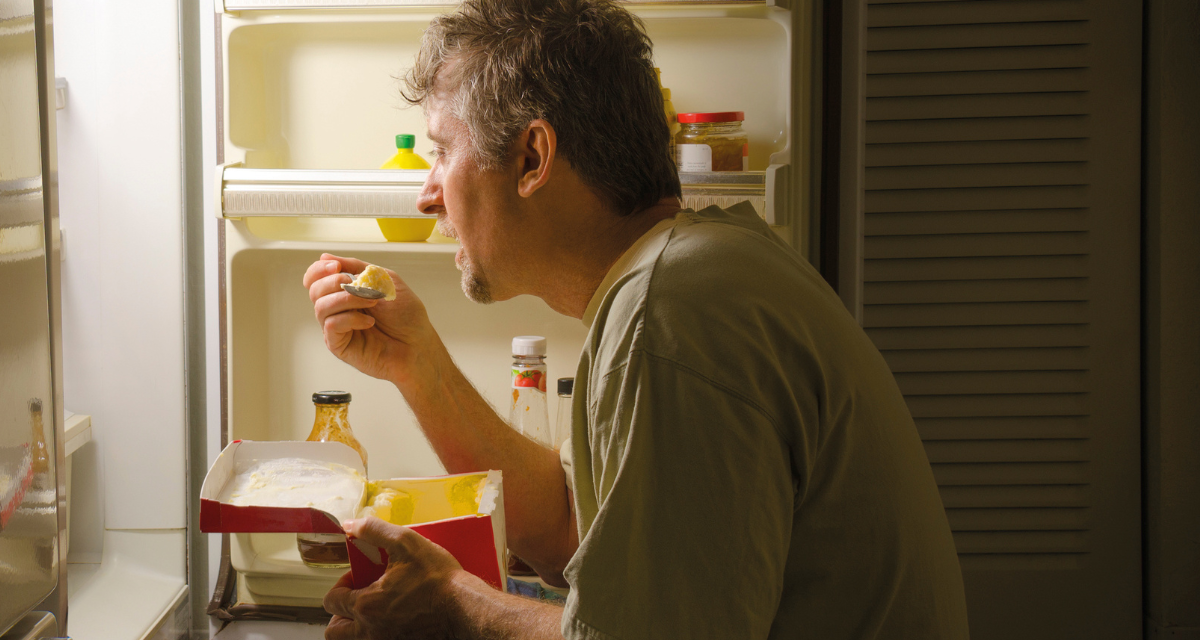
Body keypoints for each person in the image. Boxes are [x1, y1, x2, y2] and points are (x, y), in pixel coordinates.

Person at [300, 0, 970, 637]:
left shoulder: (671, 312)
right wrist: (417, 364)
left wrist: (453, 606)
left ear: (532, 158)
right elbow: (571, 526)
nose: (426, 195)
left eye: (442, 151)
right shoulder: (692, 274)